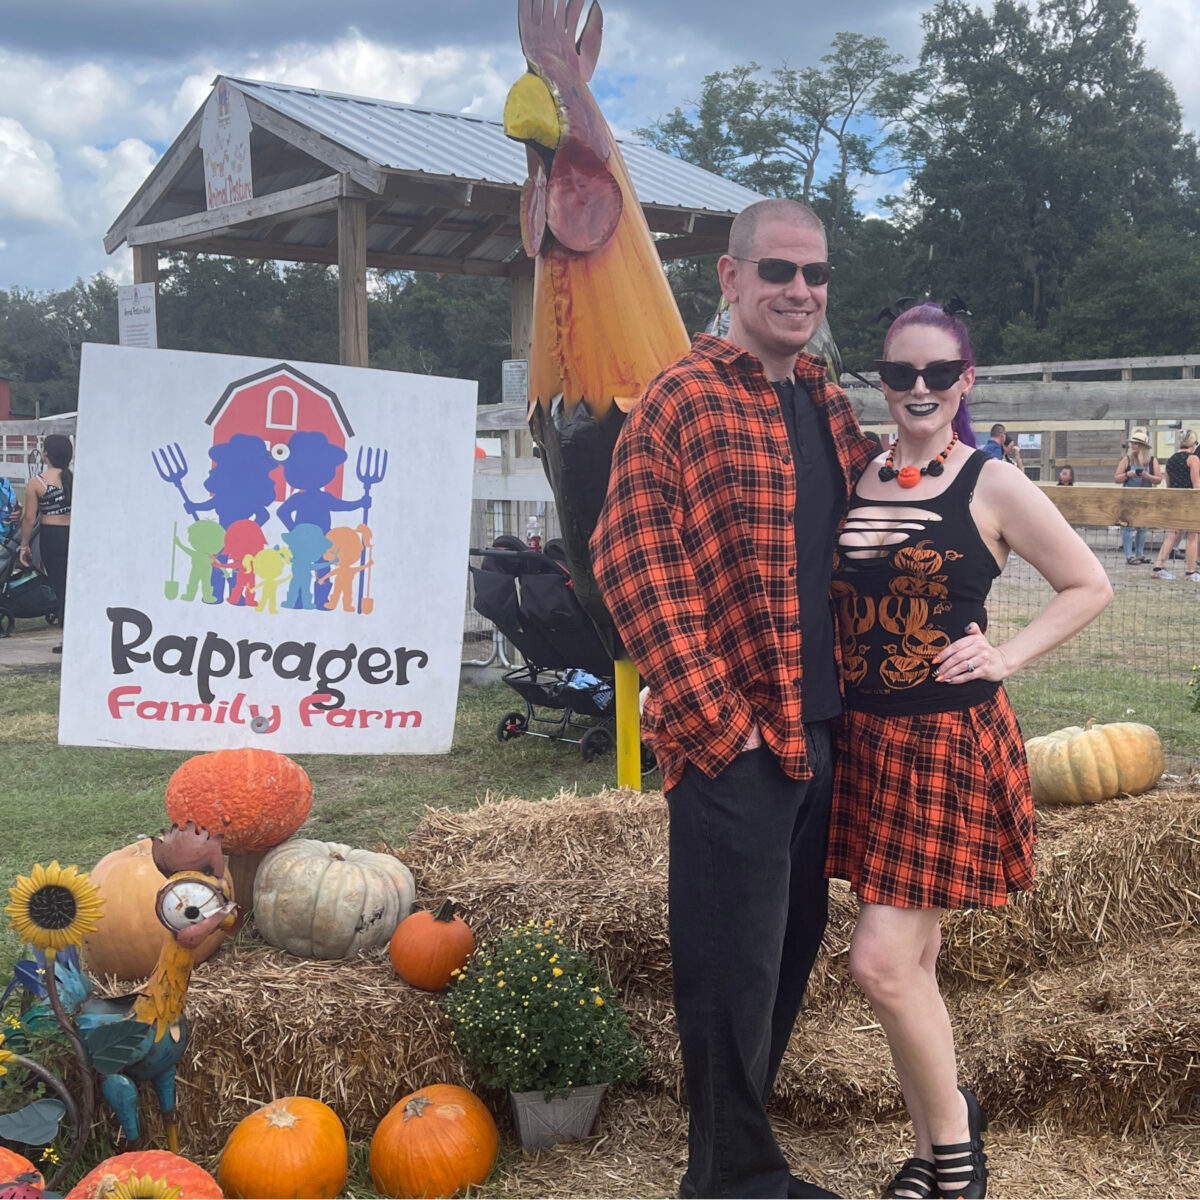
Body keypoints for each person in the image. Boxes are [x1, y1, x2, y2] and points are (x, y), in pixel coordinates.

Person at [591, 197, 876, 1200]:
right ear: (730, 277)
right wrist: (721, 724)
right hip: (736, 742)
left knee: (785, 957)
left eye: (816, 275)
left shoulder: (833, 409)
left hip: (822, 729)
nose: (800, 290)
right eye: (779, 272)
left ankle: (732, 1161)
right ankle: (734, 1180)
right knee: (730, 969)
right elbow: (628, 556)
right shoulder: (681, 398)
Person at [827, 303, 1112, 1200]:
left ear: (967, 379)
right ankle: (930, 1143)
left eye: (938, 373)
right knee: (912, 966)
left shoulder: (991, 484)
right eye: (901, 374)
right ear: (882, 381)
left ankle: (955, 1143)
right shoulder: (859, 474)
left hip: (947, 741)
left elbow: (1089, 582)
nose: (920, 390)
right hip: (868, 740)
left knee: (876, 963)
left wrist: (1008, 652)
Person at [18, 434, 73, 650]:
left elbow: (30, 518)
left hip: (52, 537)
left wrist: (24, 545)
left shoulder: (38, 482)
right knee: (74, 586)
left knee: (60, 586)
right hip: (73, 536)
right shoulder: (73, 478)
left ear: (46, 454)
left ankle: (67, 638)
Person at [1151, 430, 1200, 581]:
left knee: (1173, 534)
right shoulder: (1193, 459)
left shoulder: (1171, 460)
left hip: (1175, 501)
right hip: (1190, 501)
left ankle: (1158, 568)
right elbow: (1196, 483)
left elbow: (1168, 485)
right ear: (1193, 444)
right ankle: (1191, 572)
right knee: (1193, 536)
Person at [1114, 427, 1161, 564]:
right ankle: (1129, 556)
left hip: (1145, 497)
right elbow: (1117, 478)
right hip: (1129, 496)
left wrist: (1147, 476)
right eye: (1132, 443)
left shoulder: (1152, 461)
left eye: (1136, 443)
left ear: (1142, 446)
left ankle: (1140, 554)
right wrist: (1127, 474)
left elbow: (1158, 479)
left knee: (1143, 527)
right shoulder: (1127, 460)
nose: (1132, 446)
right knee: (1128, 526)